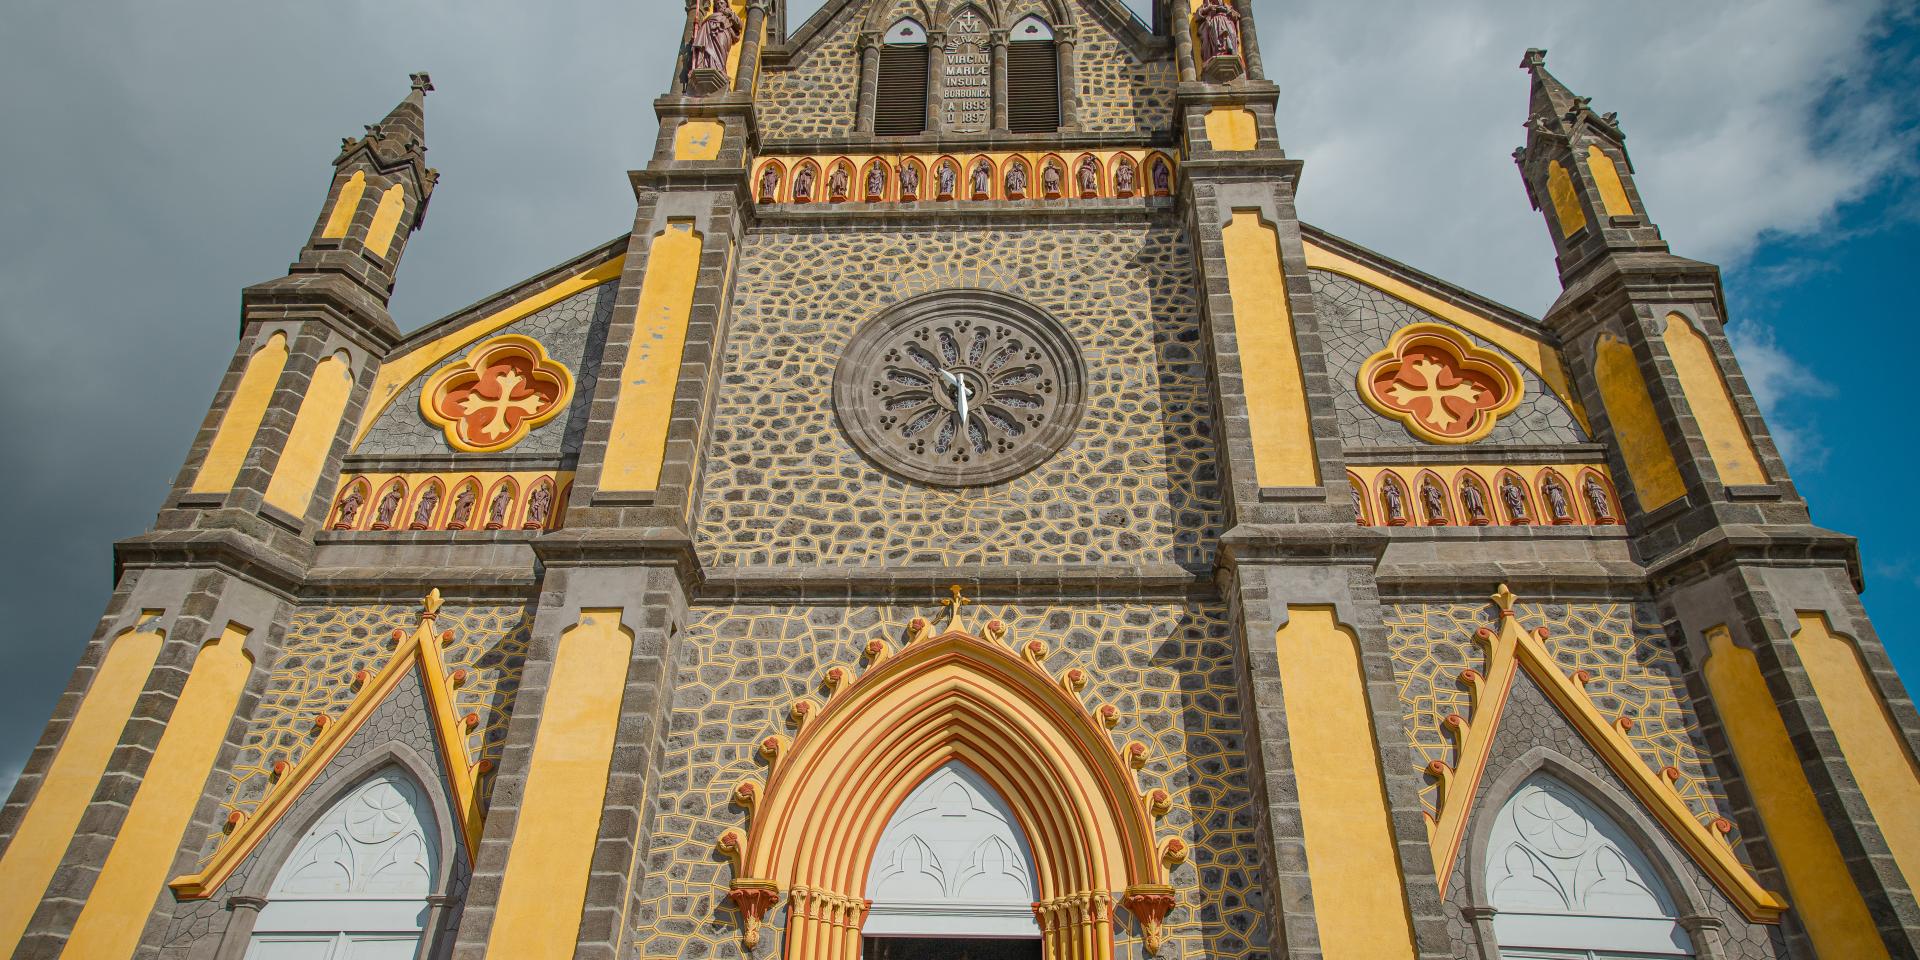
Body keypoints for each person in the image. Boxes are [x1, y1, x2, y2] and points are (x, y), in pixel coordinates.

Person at [689, 0, 744, 76]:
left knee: (720, 52)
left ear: (726, 4)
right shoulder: (710, 18)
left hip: (723, 34)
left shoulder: (730, 14)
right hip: (709, 37)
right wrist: (698, 35)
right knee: (708, 53)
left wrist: (730, 14)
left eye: (721, 3)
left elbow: (740, 25)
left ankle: (719, 69)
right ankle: (707, 67)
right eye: (717, 4)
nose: (719, 5)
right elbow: (703, 32)